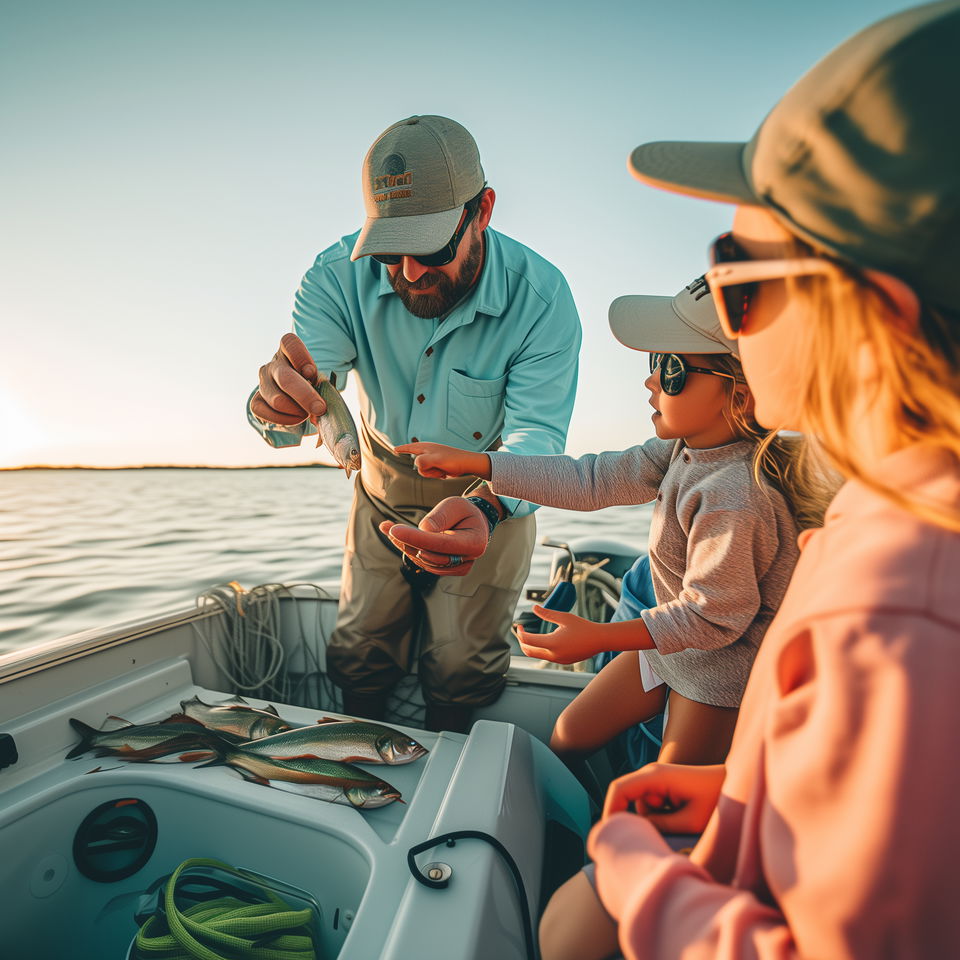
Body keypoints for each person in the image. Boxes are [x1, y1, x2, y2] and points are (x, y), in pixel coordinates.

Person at [543, 4, 960, 959]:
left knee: (570, 928)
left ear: (874, 324)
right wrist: (741, 797)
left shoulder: (898, 626)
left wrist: (640, 875)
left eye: (735, 281)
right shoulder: (876, 509)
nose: (714, 329)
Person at [395, 282, 830, 781]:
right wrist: (482, 464)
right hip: (669, 648)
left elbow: (713, 619)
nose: (651, 383)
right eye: (655, 364)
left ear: (742, 394)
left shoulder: (736, 494)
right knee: (570, 734)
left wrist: (599, 637)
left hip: (717, 675)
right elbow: (591, 479)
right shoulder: (677, 452)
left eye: (672, 370)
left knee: (667, 793)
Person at [249, 115, 582, 734]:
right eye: (388, 250)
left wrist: (485, 511)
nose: (406, 272)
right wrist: (273, 409)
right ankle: (357, 756)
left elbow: (537, 440)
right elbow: (306, 389)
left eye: (428, 248)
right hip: (378, 492)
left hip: (492, 495)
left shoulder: (543, 300)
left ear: (482, 210)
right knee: (358, 651)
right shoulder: (332, 275)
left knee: (463, 666)